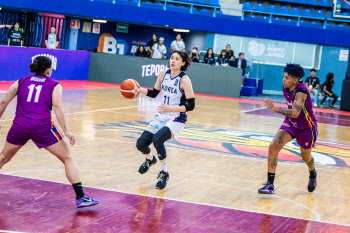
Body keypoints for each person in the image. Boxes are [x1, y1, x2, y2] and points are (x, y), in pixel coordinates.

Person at [0, 56, 100, 208]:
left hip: (20, 125)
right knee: (67, 158)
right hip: (42, 127)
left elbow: (4, 101)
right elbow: (57, 105)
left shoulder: (21, 81)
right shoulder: (54, 84)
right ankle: (81, 197)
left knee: (3, 157)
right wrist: (66, 131)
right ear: (48, 70)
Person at [135, 51, 195, 189]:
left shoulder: (184, 80)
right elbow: (154, 93)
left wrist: (171, 109)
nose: (173, 60)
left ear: (183, 63)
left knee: (157, 139)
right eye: (172, 58)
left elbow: (191, 106)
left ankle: (164, 172)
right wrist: (139, 89)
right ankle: (150, 160)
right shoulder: (163, 75)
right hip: (163, 115)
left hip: (177, 117)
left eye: (177, 59)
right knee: (140, 144)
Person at [258, 63, 318, 195]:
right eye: (284, 76)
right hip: (291, 123)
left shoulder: (301, 92)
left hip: (307, 128)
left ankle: (312, 173)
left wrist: (275, 109)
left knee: (306, 157)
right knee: (273, 146)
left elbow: (295, 113)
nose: (283, 79)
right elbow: (293, 115)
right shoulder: (286, 86)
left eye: (286, 77)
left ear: (295, 80)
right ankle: (270, 185)